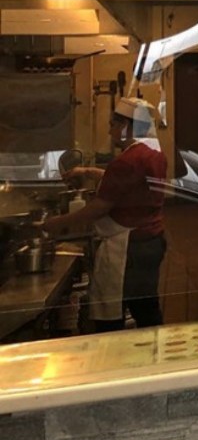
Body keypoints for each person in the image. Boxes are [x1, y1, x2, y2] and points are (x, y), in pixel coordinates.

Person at [44, 97, 168, 331]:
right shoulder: (152, 152)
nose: (110, 131)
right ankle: (156, 352)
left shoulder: (129, 160)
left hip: (129, 246)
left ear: (126, 127)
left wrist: (57, 223)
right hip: (151, 239)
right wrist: (90, 171)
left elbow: (99, 207)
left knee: (118, 315)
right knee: (146, 306)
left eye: (113, 125)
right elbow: (131, 184)